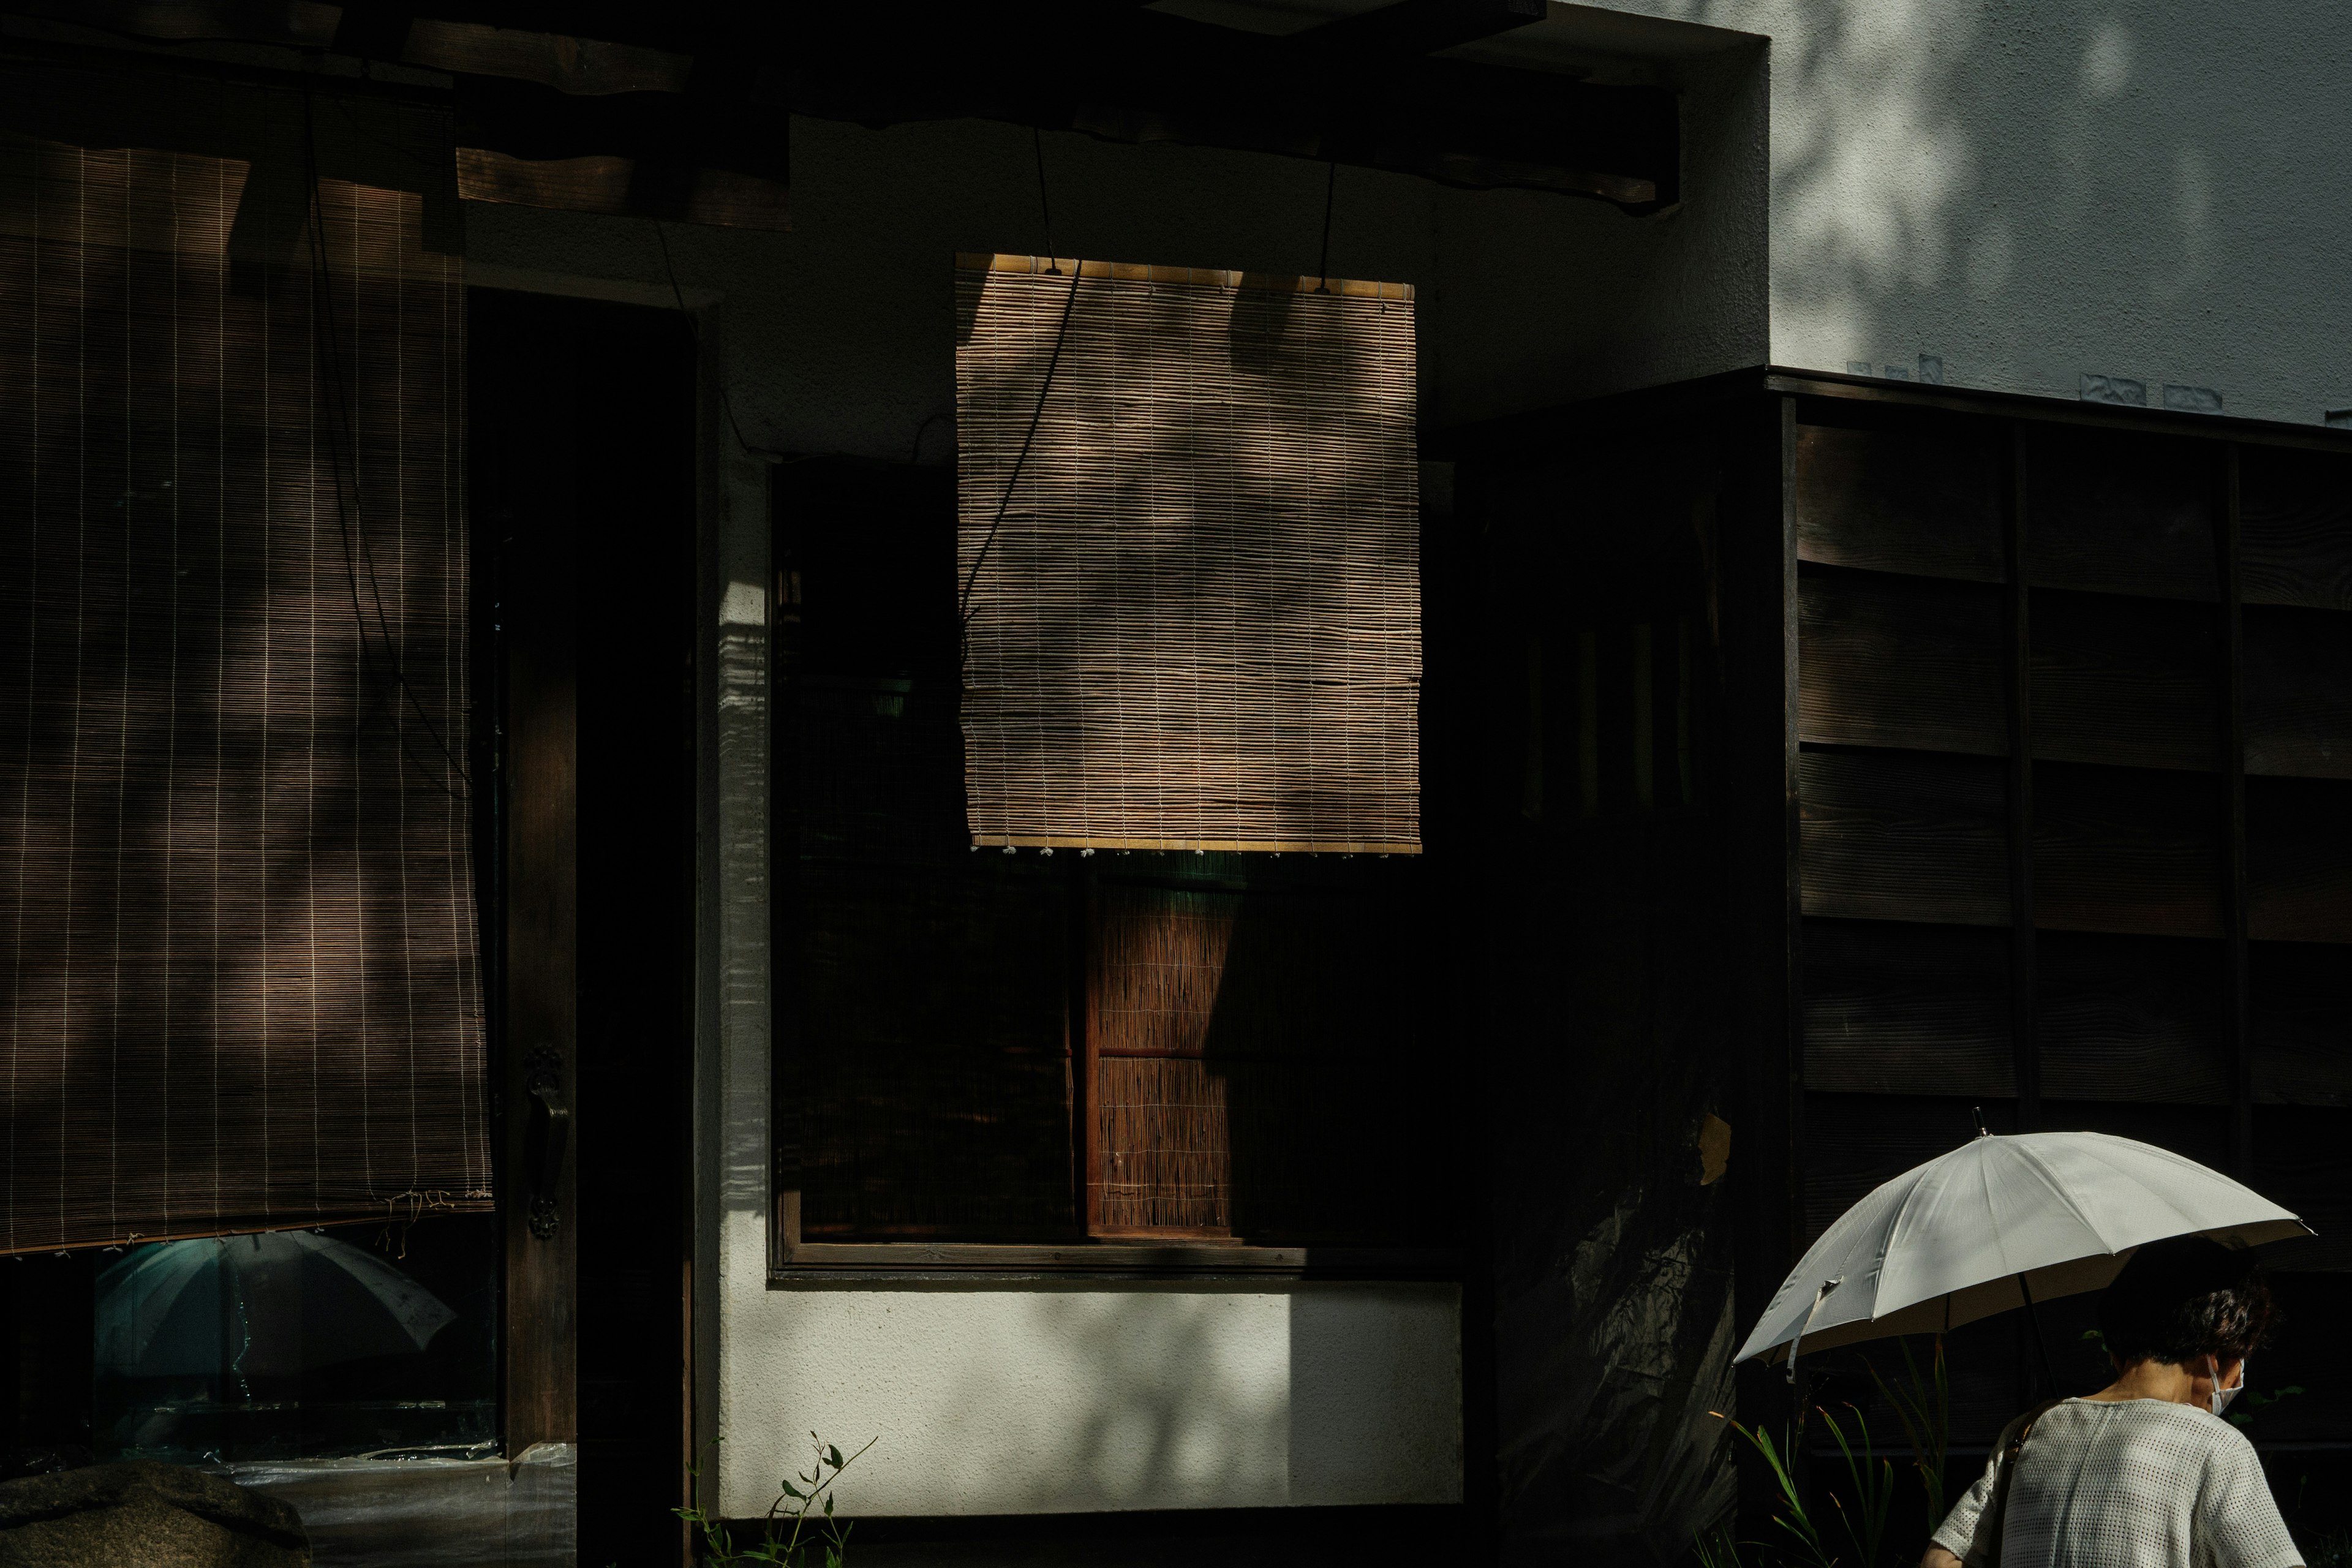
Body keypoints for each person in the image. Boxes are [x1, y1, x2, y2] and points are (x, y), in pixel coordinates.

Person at [1923, 1236, 2301, 1568]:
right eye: (2244, 1357)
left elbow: (1941, 1559)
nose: (2237, 1380)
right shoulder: (2217, 1447)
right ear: (2218, 1349)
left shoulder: (2028, 1430)